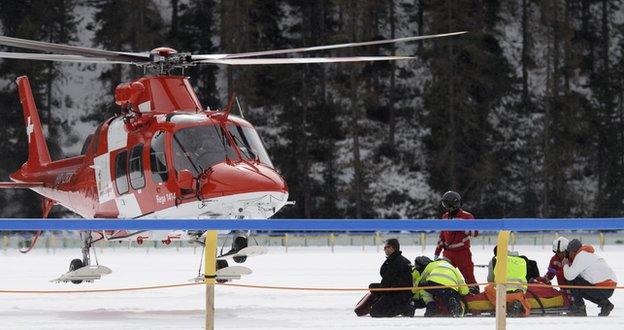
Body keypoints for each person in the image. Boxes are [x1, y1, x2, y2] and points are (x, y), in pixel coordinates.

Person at [434, 191, 479, 293]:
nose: (444, 207)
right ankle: (446, 298)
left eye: (446, 204)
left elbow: (475, 233)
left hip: (463, 253)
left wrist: (461, 226)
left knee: (469, 279)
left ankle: (474, 299)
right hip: (448, 253)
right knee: (444, 276)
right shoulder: (445, 217)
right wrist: (437, 252)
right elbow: (442, 236)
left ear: (452, 205)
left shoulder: (467, 216)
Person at [563, 238, 617, 316]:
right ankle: (606, 304)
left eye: (569, 253)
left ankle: (579, 308)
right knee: (582, 290)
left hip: (602, 287)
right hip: (609, 288)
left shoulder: (581, 255)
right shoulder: (588, 255)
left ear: (572, 251)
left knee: (573, 282)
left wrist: (565, 264)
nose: (569, 255)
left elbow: (569, 276)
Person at [368, 238, 415, 317]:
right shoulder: (393, 259)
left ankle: (404, 308)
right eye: (384, 247)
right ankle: (385, 303)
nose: (384, 249)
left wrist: (383, 294)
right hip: (394, 289)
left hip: (398, 293)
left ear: (393, 248)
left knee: (375, 312)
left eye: (386, 247)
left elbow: (388, 280)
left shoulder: (396, 262)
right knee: (373, 287)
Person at [485, 246, 531, 317]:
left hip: (503, 293)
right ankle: (515, 302)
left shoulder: (495, 260)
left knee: (488, 288)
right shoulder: (522, 260)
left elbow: (490, 280)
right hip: (520, 292)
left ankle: (503, 307)